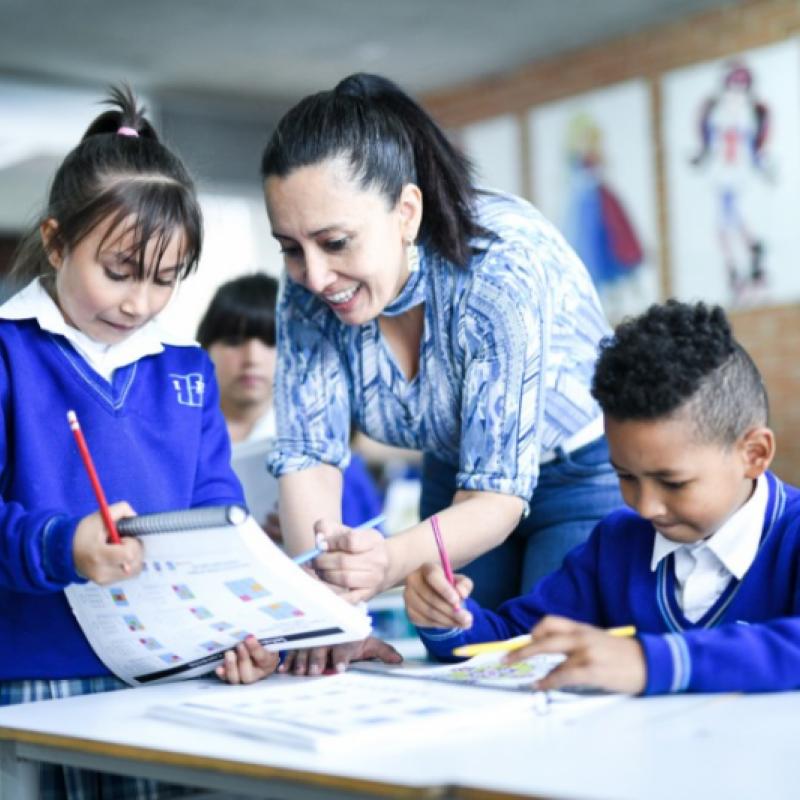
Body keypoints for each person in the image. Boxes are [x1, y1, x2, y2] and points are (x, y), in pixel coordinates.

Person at [260, 72, 622, 651]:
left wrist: (385, 563)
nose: (316, 276)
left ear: (406, 211)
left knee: (550, 652)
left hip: (577, 471)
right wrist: (327, 613)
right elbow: (309, 457)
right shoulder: (306, 288)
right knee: (454, 649)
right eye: (290, 248)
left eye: (335, 242)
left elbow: (497, 496)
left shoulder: (499, 268)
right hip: (457, 473)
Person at [0, 86, 278, 800]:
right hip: (32, 678)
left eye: (165, 279)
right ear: (56, 242)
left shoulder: (187, 370)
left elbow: (217, 517)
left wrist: (242, 628)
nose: (139, 303)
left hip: (170, 675)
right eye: (118, 272)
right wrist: (63, 546)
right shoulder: (9, 355)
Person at [405, 300, 800, 695]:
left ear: (754, 454)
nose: (645, 506)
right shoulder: (617, 543)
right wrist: (448, 618)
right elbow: (520, 641)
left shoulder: (792, 535)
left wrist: (648, 661)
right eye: (625, 476)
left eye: (673, 482)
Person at [196, 272, 384, 534]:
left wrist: (308, 533)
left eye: (272, 341)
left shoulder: (323, 448)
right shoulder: (180, 440)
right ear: (205, 348)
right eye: (234, 341)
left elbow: (370, 538)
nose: (252, 358)